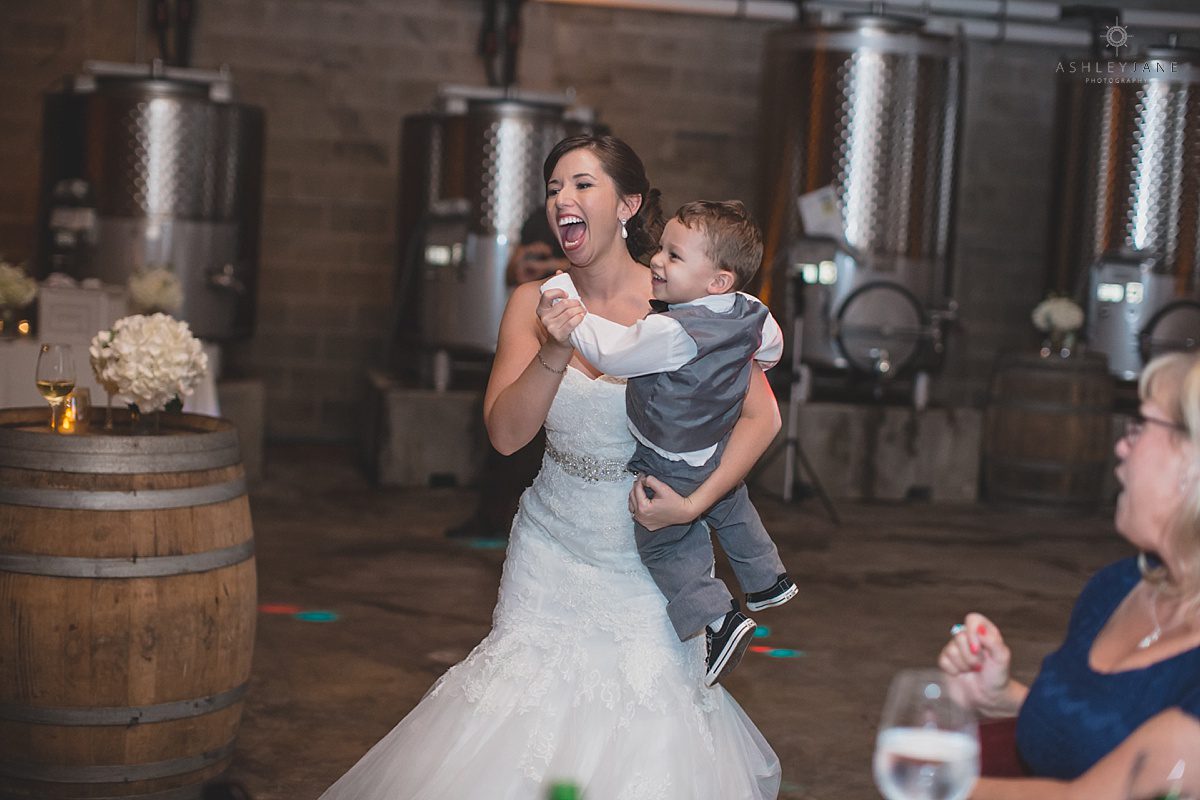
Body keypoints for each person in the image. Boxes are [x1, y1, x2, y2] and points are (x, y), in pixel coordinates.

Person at [319, 134, 782, 798]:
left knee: (647, 729)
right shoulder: (532, 303)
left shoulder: (682, 301)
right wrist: (555, 349)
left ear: (627, 204)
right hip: (550, 545)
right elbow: (507, 437)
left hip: (648, 556)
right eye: (553, 187)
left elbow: (762, 418)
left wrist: (692, 504)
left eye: (582, 185)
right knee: (514, 711)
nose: (562, 198)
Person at [539, 200, 795, 687]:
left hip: (671, 457)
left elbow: (609, 354)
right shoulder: (751, 311)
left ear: (716, 280)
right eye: (662, 249)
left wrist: (563, 299)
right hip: (712, 447)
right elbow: (772, 348)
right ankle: (768, 580)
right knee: (731, 505)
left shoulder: (670, 330)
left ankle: (720, 619)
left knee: (664, 546)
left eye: (674, 257)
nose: (657, 259)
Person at [938, 350, 1200, 799]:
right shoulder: (1116, 589)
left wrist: (930, 782)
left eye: (1141, 425)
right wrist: (1003, 697)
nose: (1122, 443)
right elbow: (1111, 737)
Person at [445, 213, 568, 540]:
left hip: (568, 342)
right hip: (530, 336)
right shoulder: (537, 222)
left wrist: (553, 266)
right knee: (500, 432)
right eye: (556, 186)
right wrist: (527, 270)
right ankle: (492, 518)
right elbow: (512, 271)